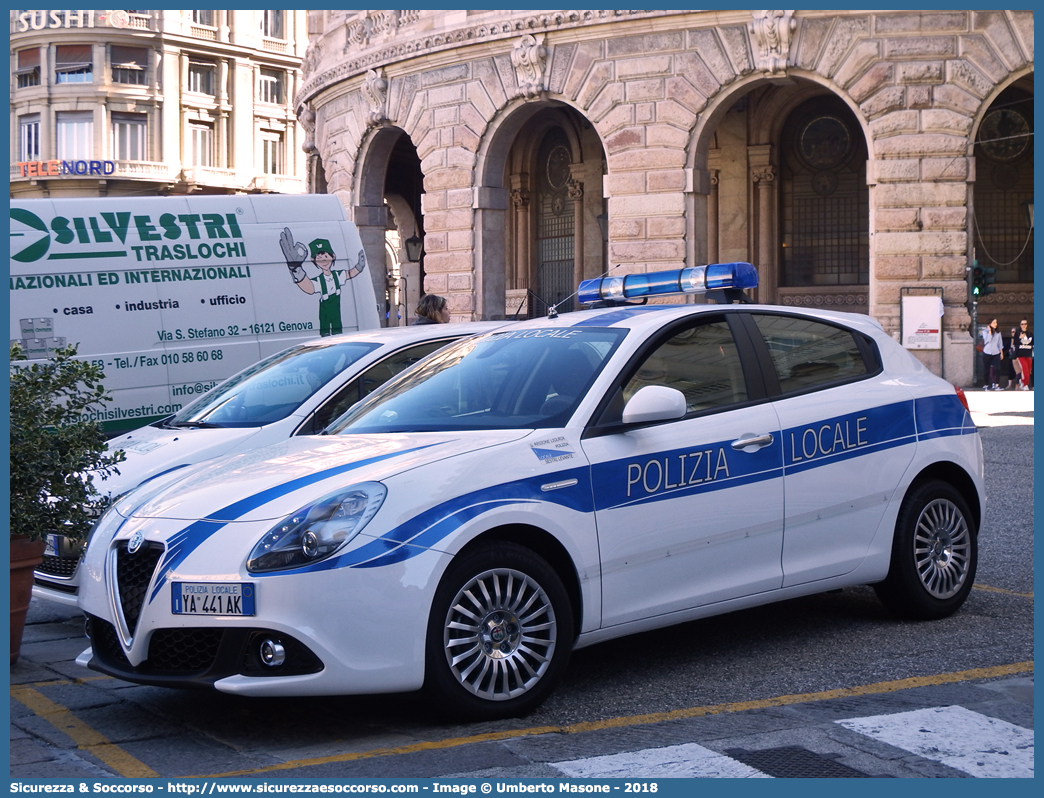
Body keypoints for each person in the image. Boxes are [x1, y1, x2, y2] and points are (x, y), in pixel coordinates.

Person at [980, 318, 1004, 391]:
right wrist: (990, 331)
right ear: (989, 324)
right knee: (986, 369)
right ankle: (986, 385)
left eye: (996, 322)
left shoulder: (998, 333)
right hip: (987, 352)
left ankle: (997, 384)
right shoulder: (985, 332)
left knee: (997, 369)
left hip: (996, 352)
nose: (995, 324)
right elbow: (987, 340)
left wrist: (1001, 353)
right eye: (994, 323)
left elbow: (1000, 343)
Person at [1013, 317, 1033, 391]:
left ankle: (1023, 382)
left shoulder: (1030, 333)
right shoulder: (1017, 333)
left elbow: (1033, 342)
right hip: (1020, 354)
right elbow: (1015, 343)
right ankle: (1025, 384)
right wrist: (1019, 338)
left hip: (1028, 354)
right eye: (1022, 324)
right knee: (1024, 369)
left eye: (1025, 324)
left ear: (1027, 325)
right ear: (1020, 325)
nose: (1023, 325)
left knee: (1028, 370)